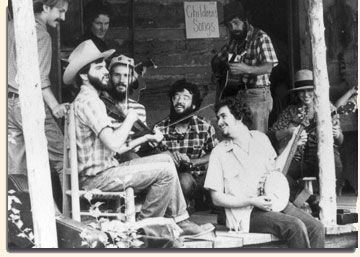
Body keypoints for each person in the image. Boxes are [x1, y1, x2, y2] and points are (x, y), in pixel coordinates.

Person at [62, 40, 214, 237]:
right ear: (83, 75)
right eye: (98, 68)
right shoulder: (90, 102)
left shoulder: (90, 100)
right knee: (166, 171)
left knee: (166, 159)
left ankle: (180, 219)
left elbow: (115, 148)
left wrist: (143, 138)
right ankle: (145, 230)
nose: (105, 72)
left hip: (106, 170)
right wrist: (130, 118)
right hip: (98, 178)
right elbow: (115, 143)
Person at [204, 97, 325, 248]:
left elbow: (277, 171)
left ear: (239, 116)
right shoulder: (219, 152)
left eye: (223, 116)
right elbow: (216, 198)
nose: (219, 122)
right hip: (247, 212)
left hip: (273, 203)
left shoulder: (260, 139)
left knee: (316, 226)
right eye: (218, 118)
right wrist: (250, 201)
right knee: (294, 226)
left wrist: (292, 143)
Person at [8, 0, 70, 186]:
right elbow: (39, 79)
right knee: (63, 158)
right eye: (60, 11)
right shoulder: (41, 35)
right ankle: (71, 211)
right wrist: (55, 106)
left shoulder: (9, 27)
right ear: (45, 7)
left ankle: (18, 212)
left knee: (15, 168)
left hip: (8, 104)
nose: (64, 17)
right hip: (27, 104)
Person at [268, 69, 344, 210]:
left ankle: (330, 202)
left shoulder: (328, 108)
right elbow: (271, 135)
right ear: (296, 93)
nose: (306, 95)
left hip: (320, 158)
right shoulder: (291, 111)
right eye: (301, 91)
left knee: (334, 160)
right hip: (297, 158)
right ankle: (310, 199)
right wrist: (289, 132)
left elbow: (340, 141)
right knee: (276, 174)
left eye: (309, 90)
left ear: (316, 90)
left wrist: (336, 133)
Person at [211, 1, 278, 133]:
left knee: (257, 139)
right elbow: (217, 59)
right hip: (238, 95)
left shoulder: (261, 38)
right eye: (229, 25)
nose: (233, 28)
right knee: (240, 136)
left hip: (258, 95)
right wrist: (218, 73)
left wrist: (245, 68)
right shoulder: (234, 41)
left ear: (245, 20)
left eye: (236, 23)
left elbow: (268, 67)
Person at [155, 80, 217, 211]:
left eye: (186, 97)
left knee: (187, 180)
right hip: (170, 178)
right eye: (176, 97)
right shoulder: (159, 128)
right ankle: (182, 210)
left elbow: (215, 153)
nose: (179, 101)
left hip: (197, 178)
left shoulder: (204, 127)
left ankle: (190, 206)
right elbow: (153, 156)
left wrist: (192, 162)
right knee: (182, 180)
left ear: (194, 105)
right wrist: (169, 157)